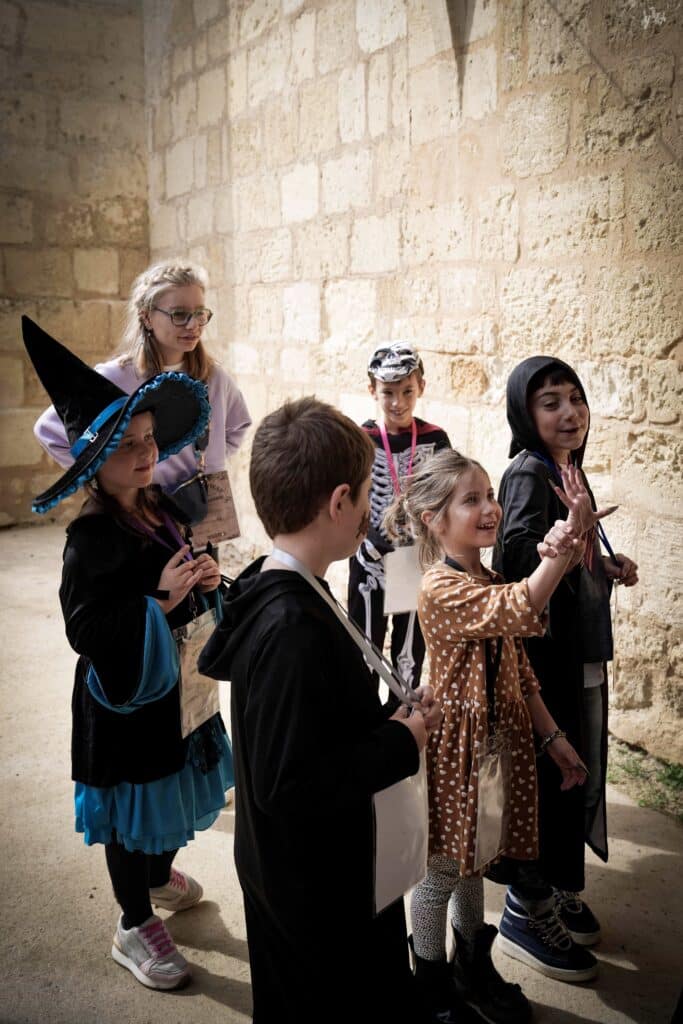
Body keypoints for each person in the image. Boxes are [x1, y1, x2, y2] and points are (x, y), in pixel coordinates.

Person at [197, 397, 442, 1024]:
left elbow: (313, 730)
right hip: (315, 892)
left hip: (304, 873)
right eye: (364, 497)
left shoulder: (291, 590)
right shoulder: (290, 627)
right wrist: (402, 741)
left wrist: (388, 720)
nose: (368, 512)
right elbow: (291, 782)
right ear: (339, 503)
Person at [23, 316, 233, 991]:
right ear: (93, 459)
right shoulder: (90, 537)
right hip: (126, 705)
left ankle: (153, 873)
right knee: (135, 810)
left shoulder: (162, 506)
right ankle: (132, 918)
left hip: (178, 692)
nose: (145, 454)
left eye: (148, 440)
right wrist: (159, 604)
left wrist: (202, 583)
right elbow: (85, 630)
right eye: (127, 446)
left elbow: (180, 574)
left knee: (175, 794)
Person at [384, 449, 615, 1023]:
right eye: (472, 500)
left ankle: (472, 965)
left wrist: (553, 736)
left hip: (491, 749)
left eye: (490, 495)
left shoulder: (482, 574)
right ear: (435, 519)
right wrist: (566, 544)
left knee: (475, 859)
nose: (490, 508)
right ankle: (431, 984)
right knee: (442, 873)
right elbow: (522, 603)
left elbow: (519, 667)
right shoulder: (440, 585)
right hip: (456, 752)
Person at [493, 356, 638, 979]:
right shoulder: (528, 472)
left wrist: (603, 563)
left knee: (573, 767)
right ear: (525, 413)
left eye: (575, 398)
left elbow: (571, 547)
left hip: (572, 646)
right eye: (550, 401)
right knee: (554, 774)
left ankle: (553, 884)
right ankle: (527, 907)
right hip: (545, 659)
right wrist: (564, 543)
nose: (569, 412)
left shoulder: (566, 466)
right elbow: (518, 559)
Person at [33, 259, 251, 503]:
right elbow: (48, 430)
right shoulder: (112, 378)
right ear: (147, 317)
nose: (193, 325)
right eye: (179, 314)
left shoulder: (214, 378)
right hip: (140, 512)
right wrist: (103, 472)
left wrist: (207, 461)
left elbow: (237, 426)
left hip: (202, 513)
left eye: (199, 314)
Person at [348, 342, 451, 695]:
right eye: (388, 392)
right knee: (365, 647)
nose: (398, 402)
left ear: (421, 386)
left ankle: (403, 716)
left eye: (407, 391)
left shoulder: (435, 439)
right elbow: (344, 497)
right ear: (372, 390)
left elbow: (446, 497)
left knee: (409, 653)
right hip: (369, 558)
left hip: (412, 557)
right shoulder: (360, 439)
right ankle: (363, 721)